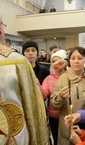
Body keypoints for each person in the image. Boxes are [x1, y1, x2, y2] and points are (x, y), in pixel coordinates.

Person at [0, 13, 50, 144]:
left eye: (34, 50)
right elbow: (32, 107)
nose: (31, 53)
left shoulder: (22, 62)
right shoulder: (19, 62)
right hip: (17, 135)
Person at [50, 46, 85, 145]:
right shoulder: (63, 78)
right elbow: (55, 105)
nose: (76, 61)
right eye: (73, 58)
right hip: (68, 127)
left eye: (80, 58)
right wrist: (60, 96)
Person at [39, 49, 67, 145]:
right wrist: (37, 85)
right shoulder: (48, 78)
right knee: (56, 139)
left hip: (68, 116)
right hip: (53, 117)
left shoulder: (70, 76)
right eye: (53, 61)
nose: (55, 64)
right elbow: (44, 95)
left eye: (58, 61)